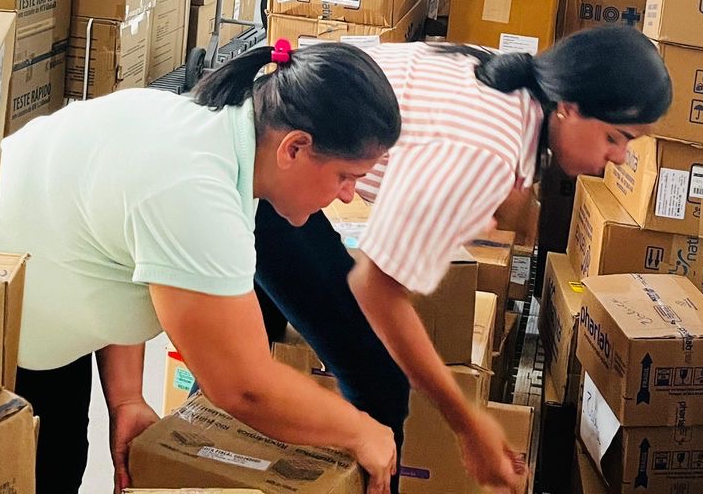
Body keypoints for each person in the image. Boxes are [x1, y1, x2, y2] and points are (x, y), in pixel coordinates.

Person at [253, 27, 671, 494]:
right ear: (568, 106)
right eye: (615, 137)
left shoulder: (510, 82)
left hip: (278, 129)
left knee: (261, 331)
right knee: (378, 377)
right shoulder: (488, 151)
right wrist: (469, 426)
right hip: (275, 168)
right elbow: (376, 289)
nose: (620, 158)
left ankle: (212, 456)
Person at [0, 41, 404, 494]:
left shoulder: (208, 129)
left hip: (42, 309)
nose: (348, 196)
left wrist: (126, 397)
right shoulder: (194, 190)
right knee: (35, 477)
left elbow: (119, 253)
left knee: (59, 465)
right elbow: (243, 386)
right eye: (345, 176)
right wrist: (362, 431)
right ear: (294, 148)